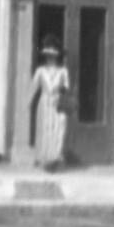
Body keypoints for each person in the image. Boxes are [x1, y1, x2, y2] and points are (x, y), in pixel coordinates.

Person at [30, 40, 71, 172]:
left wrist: (62, 94)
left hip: (57, 102)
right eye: (48, 56)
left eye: (53, 56)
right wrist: (29, 101)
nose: (50, 59)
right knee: (45, 128)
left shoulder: (63, 71)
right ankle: (45, 159)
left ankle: (55, 158)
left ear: (57, 57)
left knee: (58, 128)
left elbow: (67, 87)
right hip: (45, 101)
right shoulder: (40, 71)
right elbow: (34, 87)